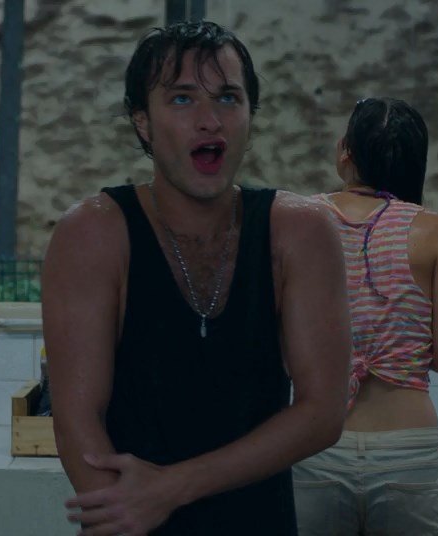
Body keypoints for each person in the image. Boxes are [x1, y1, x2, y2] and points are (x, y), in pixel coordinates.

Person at [40, 21, 352, 536]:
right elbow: (77, 423)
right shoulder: (93, 233)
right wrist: (125, 512)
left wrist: (171, 487)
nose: (210, 121)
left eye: (228, 98)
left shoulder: (299, 232)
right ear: (143, 122)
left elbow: (323, 413)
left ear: (250, 115)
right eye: (182, 99)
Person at [293, 97, 438, 535]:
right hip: (408, 446)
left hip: (318, 441)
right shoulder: (432, 230)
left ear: (346, 152)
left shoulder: (298, 219)